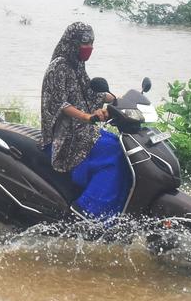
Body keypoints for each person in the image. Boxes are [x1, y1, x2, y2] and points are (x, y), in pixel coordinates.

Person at [40, 22, 131, 219]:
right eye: (84, 42)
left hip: (80, 130)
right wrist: (87, 116)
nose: (89, 47)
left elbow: (89, 92)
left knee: (122, 147)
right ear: (72, 42)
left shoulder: (77, 65)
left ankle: (117, 210)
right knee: (114, 155)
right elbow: (59, 104)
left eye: (91, 42)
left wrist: (117, 99)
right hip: (63, 137)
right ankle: (88, 212)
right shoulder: (58, 67)